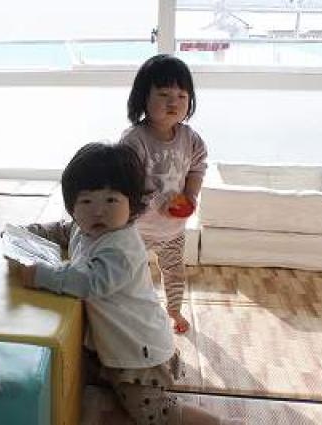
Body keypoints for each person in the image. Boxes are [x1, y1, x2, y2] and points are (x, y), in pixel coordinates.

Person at [9, 142, 228, 424]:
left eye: (111, 200)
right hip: (113, 343)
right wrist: (23, 233)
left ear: (133, 204)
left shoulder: (120, 248)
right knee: (80, 376)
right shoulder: (82, 228)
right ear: (72, 206)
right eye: (86, 201)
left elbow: (90, 282)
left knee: (154, 414)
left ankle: (219, 422)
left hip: (138, 353)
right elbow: (62, 230)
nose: (98, 211)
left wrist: (40, 275)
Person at [120, 54, 208, 334]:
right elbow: (128, 183)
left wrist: (191, 196)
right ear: (143, 98)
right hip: (138, 228)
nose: (174, 103)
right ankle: (133, 313)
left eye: (182, 96)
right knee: (132, 273)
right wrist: (158, 200)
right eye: (164, 94)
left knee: (174, 273)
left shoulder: (190, 139)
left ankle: (174, 310)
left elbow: (197, 168)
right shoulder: (134, 140)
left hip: (173, 230)